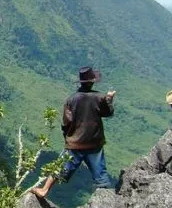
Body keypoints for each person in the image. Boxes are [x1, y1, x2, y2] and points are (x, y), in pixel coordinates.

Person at [31, 67, 116, 198]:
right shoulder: (100, 98)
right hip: (94, 143)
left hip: (75, 143)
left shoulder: (71, 100)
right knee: (101, 176)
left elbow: (66, 123)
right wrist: (109, 99)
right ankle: (107, 202)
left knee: (60, 167)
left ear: (80, 82)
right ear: (93, 82)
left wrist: (68, 138)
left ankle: (44, 190)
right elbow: (108, 113)